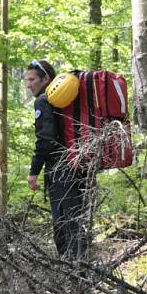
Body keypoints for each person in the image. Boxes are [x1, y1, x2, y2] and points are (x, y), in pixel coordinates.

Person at [25, 59, 87, 258]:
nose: (29, 84)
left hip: (61, 172)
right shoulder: (68, 100)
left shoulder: (44, 100)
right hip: (81, 167)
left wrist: (34, 172)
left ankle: (72, 276)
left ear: (46, 79)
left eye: (32, 79)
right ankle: (80, 275)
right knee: (77, 224)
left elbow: (45, 140)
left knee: (65, 227)